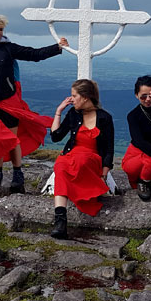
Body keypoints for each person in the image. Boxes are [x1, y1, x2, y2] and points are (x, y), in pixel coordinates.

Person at [0, 14, 68, 192]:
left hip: (10, 102)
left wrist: (57, 47)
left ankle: (17, 173)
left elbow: (34, 54)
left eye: (1, 29)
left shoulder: (9, 49)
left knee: (13, 139)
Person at [48, 79, 114, 239]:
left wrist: (104, 173)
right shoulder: (73, 114)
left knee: (81, 161)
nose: (71, 99)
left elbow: (109, 149)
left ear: (85, 97)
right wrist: (59, 111)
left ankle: (88, 190)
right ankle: (60, 221)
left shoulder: (105, 118)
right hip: (72, 155)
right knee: (61, 165)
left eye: (74, 96)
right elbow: (56, 136)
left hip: (92, 158)